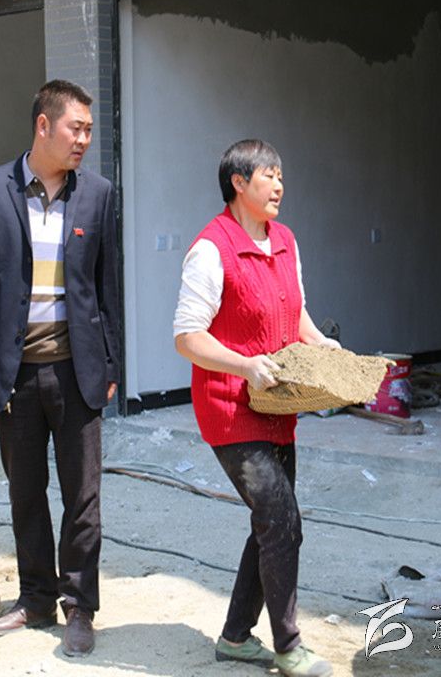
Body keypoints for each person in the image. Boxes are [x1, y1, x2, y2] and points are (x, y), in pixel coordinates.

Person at [0, 79, 120, 657]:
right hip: (14, 374)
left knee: (83, 497)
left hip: (77, 370)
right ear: (44, 125)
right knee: (26, 491)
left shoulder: (97, 195)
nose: (84, 140)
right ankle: (36, 596)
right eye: (76, 128)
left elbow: (107, 287)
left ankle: (79, 606)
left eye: (89, 130)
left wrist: (112, 361)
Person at [173, 139, 337, 677]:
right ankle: (288, 646)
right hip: (230, 408)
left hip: (278, 405)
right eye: (269, 175)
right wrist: (244, 365)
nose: (279, 186)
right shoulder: (210, 249)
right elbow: (188, 337)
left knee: (271, 524)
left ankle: (236, 637)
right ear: (238, 183)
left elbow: (295, 310)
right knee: (282, 523)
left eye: (281, 176)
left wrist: (320, 343)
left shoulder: (284, 240)